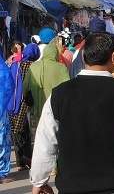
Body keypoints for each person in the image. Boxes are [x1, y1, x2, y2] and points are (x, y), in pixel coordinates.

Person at [29, 32, 114, 194]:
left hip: (71, 187)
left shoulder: (59, 95)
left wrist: (39, 181)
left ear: (83, 56)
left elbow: (45, 142)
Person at [23, 38, 70, 138]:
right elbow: (68, 90)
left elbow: (24, 88)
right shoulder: (61, 68)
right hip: (55, 114)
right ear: (55, 54)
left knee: (37, 140)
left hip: (35, 113)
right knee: (53, 141)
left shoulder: (33, 67)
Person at [9, 43, 40, 172]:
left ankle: (20, 162)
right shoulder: (34, 66)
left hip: (13, 102)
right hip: (27, 102)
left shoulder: (15, 64)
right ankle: (29, 160)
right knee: (27, 133)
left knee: (17, 132)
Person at [0, 54, 12, 184]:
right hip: (1, 109)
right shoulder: (2, 67)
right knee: (2, 141)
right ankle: (1, 173)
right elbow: (9, 84)